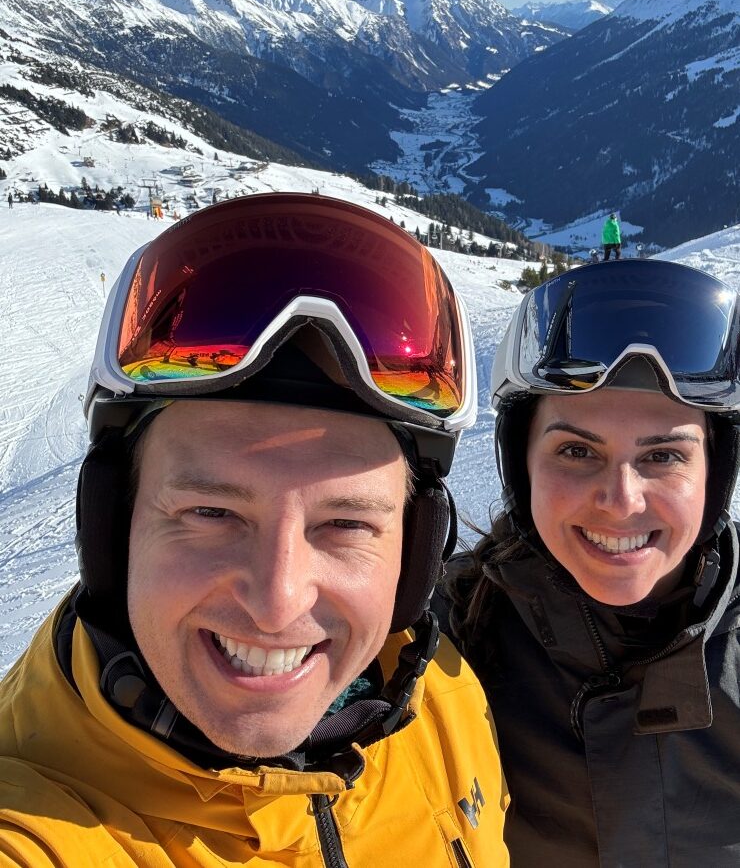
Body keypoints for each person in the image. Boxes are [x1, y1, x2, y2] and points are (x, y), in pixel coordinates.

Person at [0, 192, 508, 866]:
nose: (276, 602)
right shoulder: (38, 828)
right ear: (114, 526)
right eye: (212, 513)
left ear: (414, 552)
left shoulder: (445, 702)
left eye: (346, 522)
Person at [439, 259, 740, 866]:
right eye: (577, 450)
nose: (622, 501)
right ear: (521, 464)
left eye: (662, 456)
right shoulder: (440, 641)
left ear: (714, 472)